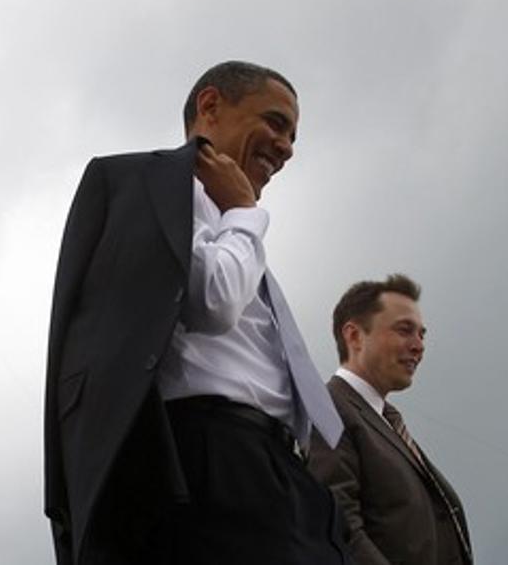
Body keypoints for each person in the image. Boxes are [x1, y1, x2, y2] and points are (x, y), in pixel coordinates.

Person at [44, 60, 349, 565]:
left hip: (286, 475)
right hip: (213, 458)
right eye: (276, 123)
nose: (288, 148)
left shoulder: (235, 230)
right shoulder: (146, 183)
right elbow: (215, 299)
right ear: (210, 106)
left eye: (294, 136)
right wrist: (246, 214)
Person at [308, 275, 473, 565]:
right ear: (354, 336)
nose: (418, 345)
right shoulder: (330, 408)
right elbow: (338, 527)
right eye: (404, 330)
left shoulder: (386, 423)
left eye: (422, 334)